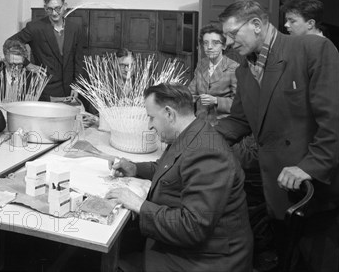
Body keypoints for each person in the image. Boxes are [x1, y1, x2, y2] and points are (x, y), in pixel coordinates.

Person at [216, 0, 339, 272]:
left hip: (315, 193)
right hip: (276, 191)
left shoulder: (313, 49)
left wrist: (310, 166)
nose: (227, 42)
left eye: (233, 34)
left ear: (257, 25)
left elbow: (333, 119)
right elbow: (238, 121)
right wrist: (196, 137)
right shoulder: (244, 70)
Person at [106, 83, 253, 272]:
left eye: (151, 117)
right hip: (197, 247)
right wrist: (134, 168)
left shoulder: (208, 153)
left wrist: (138, 204)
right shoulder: (191, 132)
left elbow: (192, 227)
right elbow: (169, 168)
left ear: (169, 114)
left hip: (208, 259)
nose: (150, 125)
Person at [7, 0, 85, 101]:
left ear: (65, 6)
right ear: (45, 8)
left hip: (69, 90)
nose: (54, 13)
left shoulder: (75, 29)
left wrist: (77, 85)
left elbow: (79, 61)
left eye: (57, 8)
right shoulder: (35, 28)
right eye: (50, 9)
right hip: (45, 90)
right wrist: (28, 64)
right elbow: (9, 44)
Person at [188, 25, 239, 125]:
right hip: (200, 122)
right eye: (206, 43)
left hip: (223, 124)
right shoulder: (201, 64)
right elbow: (191, 92)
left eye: (215, 43)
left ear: (224, 46)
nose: (209, 47)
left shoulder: (234, 68)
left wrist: (216, 100)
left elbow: (239, 104)